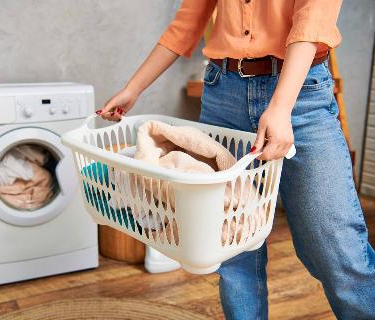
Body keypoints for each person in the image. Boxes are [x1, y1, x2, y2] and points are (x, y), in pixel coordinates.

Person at [97, 1, 375, 319]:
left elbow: (312, 20)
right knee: (232, 247)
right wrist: (133, 89)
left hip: (301, 95)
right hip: (223, 94)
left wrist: (281, 107)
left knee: (336, 250)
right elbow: (187, 22)